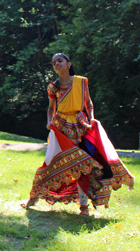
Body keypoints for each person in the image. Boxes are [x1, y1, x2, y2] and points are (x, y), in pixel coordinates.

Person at [22, 53, 134, 216]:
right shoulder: (53, 86)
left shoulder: (81, 82)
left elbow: (88, 102)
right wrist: (49, 121)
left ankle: (84, 207)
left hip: (80, 126)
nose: (56, 64)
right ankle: (33, 198)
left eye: (60, 61)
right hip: (60, 127)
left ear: (69, 64)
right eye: (54, 63)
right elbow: (51, 108)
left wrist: (92, 118)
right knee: (50, 162)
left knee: (83, 165)